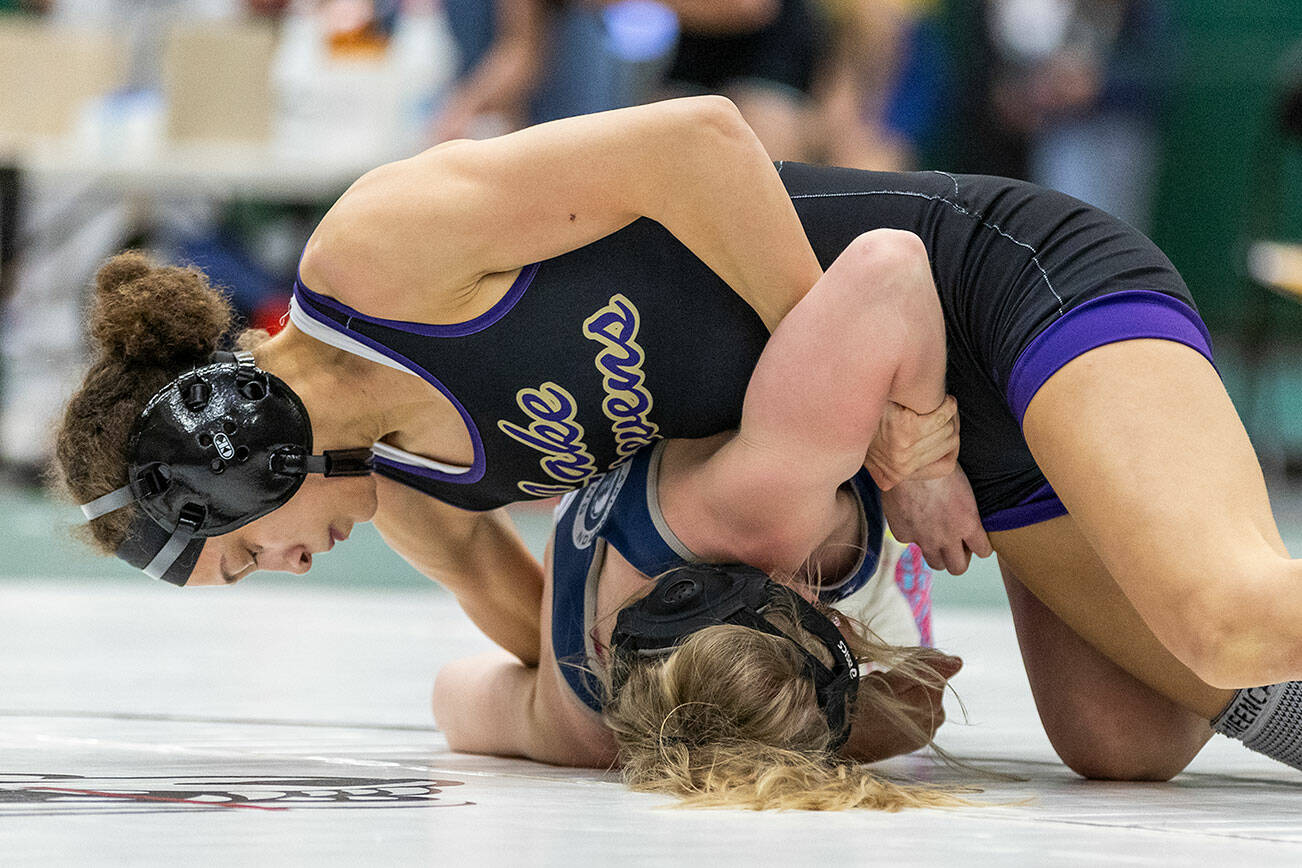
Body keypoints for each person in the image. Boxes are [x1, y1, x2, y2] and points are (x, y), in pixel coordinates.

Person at [55, 97, 1302, 781]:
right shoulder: (417, 493)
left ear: (237, 459)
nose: (285, 570)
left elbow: (697, 140)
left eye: (241, 556)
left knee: (1226, 618)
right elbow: (572, 658)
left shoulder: (378, 255)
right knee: (1123, 745)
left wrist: (900, 439)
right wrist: (743, 709)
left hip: (988, 287)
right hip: (958, 440)